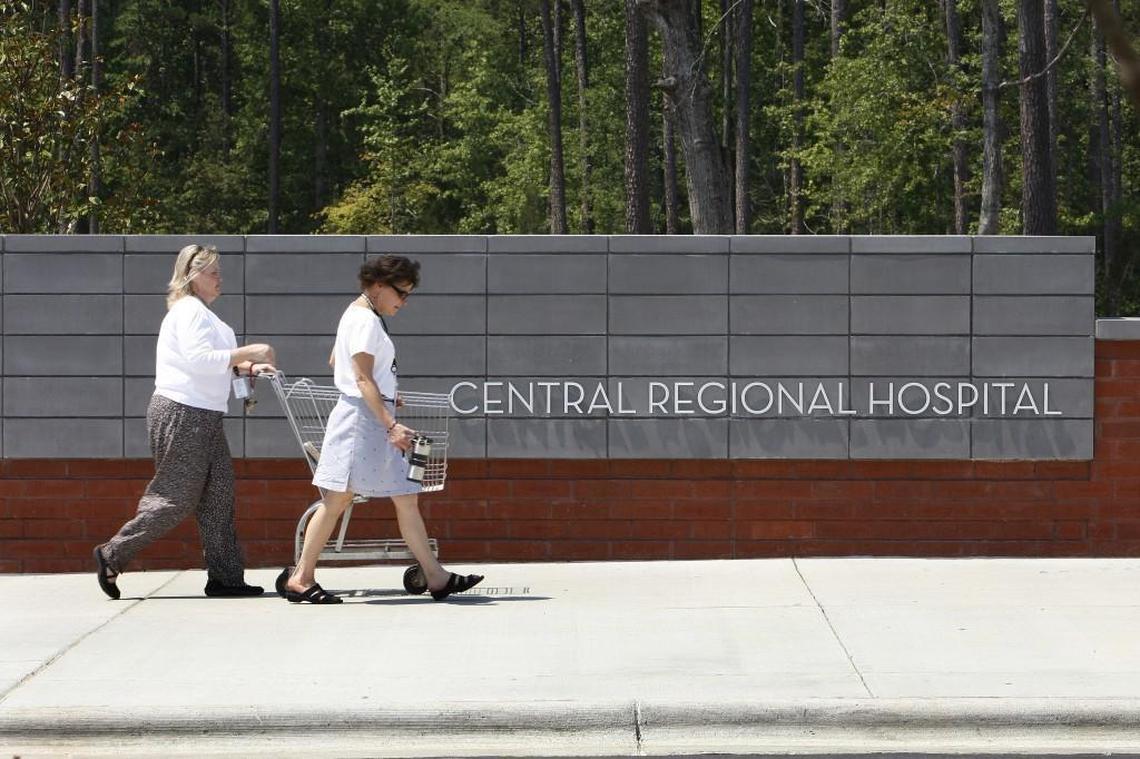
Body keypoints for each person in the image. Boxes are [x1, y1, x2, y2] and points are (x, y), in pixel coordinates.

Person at [280, 255, 483, 604]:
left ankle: (436, 577)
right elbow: (359, 377)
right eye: (400, 293)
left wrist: (387, 392)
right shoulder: (365, 321)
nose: (403, 302)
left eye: (407, 295)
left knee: (403, 496)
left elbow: (336, 360)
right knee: (337, 499)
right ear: (377, 285)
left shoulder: (360, 316)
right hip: (361, 423)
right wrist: (390, 422)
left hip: (366, 416)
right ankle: (300, 577)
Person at [93, 243, 277, 600]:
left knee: (220, 495)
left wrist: (249, 367)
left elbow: (216, 361)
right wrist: (252, 349)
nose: (219, 277)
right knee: (175, 497)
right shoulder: (189, 311)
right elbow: (200, 359)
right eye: (212, 272)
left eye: (219, 271)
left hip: (205, 415)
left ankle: (226, 578)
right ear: (193, 277)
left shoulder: (206, 315)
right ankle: (112, 553)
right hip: (182, 412)